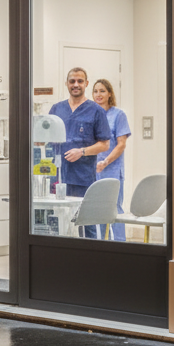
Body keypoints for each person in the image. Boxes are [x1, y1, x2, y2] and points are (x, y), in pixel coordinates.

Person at [48, 68, 111, 237]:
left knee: (86, 222)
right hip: (58, 177)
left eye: (80, 81)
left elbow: (105, 144)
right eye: (72, 81)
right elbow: (47, 138)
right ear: (67, 84)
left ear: (86, 84)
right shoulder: (56, 109)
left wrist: (82, 151)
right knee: (57, 222)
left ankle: (90, 258)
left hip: (83, 178)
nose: (76, 85)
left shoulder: (95, 111)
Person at [92, 78, 131, 241]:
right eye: (95, 91)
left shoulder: (118, 115)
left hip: (112, 169)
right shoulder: (91, 115)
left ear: (109, 94)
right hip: (93, 170)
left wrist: (106, 161)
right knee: (97, 209)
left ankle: (121, 244)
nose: (98, 94)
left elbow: (121, 145)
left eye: (102, 91)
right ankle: (102, 244)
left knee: (114, 208)